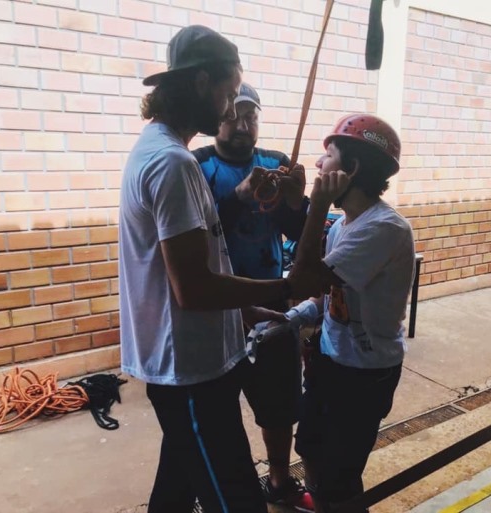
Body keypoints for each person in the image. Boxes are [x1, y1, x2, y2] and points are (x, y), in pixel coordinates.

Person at [118, 25, 323, 513]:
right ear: (200, 82)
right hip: (189, 372)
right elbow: (192, 288)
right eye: (230, 96)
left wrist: (247, 311)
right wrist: (289, 285)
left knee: (176, 489)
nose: (233, 111)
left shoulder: (160, 150)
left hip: (193, 362)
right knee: (236, 499)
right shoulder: (175, 163)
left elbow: (195, 270)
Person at [283, 114, 415, 512]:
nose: (319, 165)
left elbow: (303, 278)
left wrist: (316, 203)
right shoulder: (345, 225)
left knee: (340, 474)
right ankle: (320, 500)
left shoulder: (383, 230)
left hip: (363, 376)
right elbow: (325, 295)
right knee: (309, 445)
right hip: (331, 359)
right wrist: (291, 319)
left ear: (352, 168)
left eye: (328, 155)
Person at [193, 83, 314, 511]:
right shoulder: (197, 165)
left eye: (252, 117)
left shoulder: (277, 162)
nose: (243, 125)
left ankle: (279, 482)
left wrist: (299, 203)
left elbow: (301, 233)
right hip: (219, 309)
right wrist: (238, 197)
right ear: (219, 116)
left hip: (271, 305)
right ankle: (215, 491)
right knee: (215, 416)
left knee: (279, 406)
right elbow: (196, 238)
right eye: (233, 115)